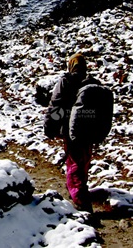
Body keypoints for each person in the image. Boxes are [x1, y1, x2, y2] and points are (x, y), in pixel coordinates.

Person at [44, 52, 102, 213]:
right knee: (83, 161)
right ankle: (80, 189)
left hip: (71, 129)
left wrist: (49, 127)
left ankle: (81, 201)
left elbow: (55, 105)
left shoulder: (67, 80)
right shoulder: (93, 83)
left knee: (74, 162)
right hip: (89, 129)